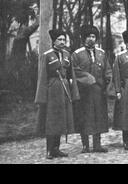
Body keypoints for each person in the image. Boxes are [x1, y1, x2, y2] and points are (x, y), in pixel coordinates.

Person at [35, 29, 80, 159]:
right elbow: (42, 76)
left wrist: (74, 91)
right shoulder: (47, 55)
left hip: (65, 91)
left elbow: (71, 74)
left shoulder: (67, 54)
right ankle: (49, 149)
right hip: (52, 92)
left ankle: (57, 149)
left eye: (63, 40)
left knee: (62, 120)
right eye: (59, 40)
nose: (62, 42)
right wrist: (42, 97)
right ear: (53, 41)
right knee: (52, 121)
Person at [72, 25, 111, 153]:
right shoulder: (77, 54)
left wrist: (108, 82)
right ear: (83, 38)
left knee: (99, 116)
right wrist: (87, 78)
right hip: (84, 92)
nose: (91, 39)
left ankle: (97, 144)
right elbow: (74, 71)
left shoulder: (102, 53)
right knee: (85, 117)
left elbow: (108, 70)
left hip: (99, 91)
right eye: (88, 36)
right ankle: (85, 145)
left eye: (93, 36)